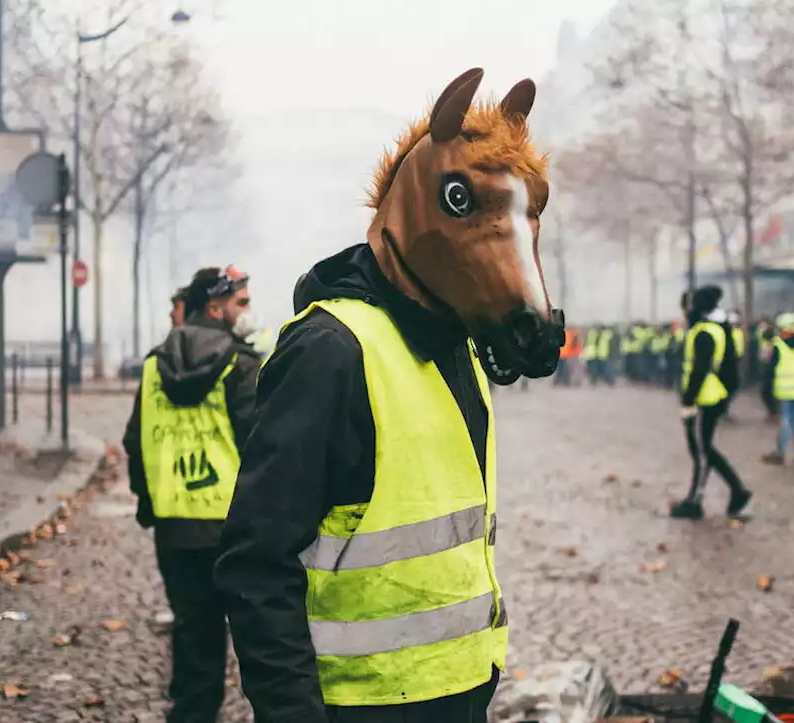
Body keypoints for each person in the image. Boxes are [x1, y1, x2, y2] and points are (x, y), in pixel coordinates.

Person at [215, 70, 565, 723]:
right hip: (362, 703)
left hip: (460, 688)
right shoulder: (330, 351)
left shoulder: (456, 344)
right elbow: (256, 559)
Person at [121, 265, 261, 722]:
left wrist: (152, 504)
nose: (247, 311)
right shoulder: (240, 365)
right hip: (234, 527)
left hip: (176, 527)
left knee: (194, 632)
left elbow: (135, 441)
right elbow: (262, 445)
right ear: (216, 308)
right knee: (260, 639)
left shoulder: (154, 365)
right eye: (241, 302)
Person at [670, 285, 753, 521]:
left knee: (702, 451)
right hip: (709, 396)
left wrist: (688, 400)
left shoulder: (704, 331)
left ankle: (698, 501)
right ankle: (736, 491)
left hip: (703, 398)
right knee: (703, 449)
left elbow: (699, 369)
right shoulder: (713, 328)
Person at [762, 312, 794, 466]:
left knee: (785, 421)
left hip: (784, 389)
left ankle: (780, 452)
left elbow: (770, 367)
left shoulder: (779, 345)